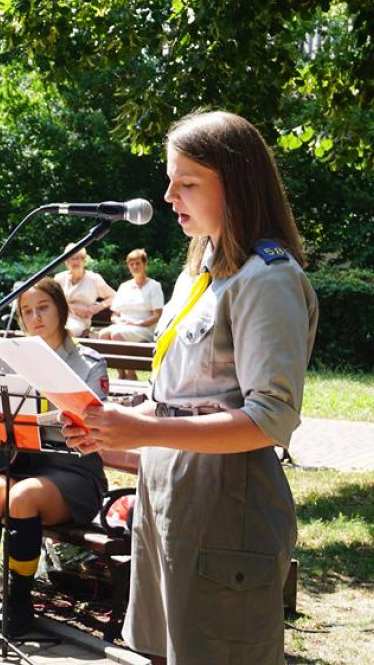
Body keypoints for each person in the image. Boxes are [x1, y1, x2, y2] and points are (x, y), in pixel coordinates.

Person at [62, 110, 318, 665]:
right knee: (161, 649)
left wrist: (144, 426)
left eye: (188, 181)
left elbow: (272, 418)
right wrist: (109, 423)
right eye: (170, 177)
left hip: (227, 501)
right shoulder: (200, 270)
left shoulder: (267, 278)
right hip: (168, 493)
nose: (168, 192)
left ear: (237, 184)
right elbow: (180, 392)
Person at [0, 277, 108, 643]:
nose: (35, 317)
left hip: (75, 473)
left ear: (62, 309)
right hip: (23, 467)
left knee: (21, 497)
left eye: (43, 308)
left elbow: (99, 424)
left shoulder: (88, 363)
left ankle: (18, 603)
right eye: (26, 311)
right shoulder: (5, 357)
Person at [96, 248, 165, 380]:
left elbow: (157, 315)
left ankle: (131, 374)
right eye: (131, 264)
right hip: (123, 325)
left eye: (138, 263)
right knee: (103, 334)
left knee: (116, 335)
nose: (134, 267)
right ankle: (120, 374)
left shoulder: (154, 286)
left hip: (144, 327)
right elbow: (114, 315)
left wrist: (139, 323)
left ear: (145, 265)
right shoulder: (124, 286)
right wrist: (119, 321)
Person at [54, 245, 116, 337]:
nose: (76, 261)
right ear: (66, 261)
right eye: (73, 258)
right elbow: (51, 298)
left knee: (65, 331)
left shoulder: (94, 279)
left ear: (84, 261)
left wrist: (95, 308)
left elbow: (114, 296)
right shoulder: (59, 278)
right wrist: (72, 308)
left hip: (79, 321)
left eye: (80, 258)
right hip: (59, 317)